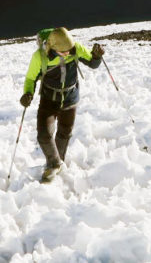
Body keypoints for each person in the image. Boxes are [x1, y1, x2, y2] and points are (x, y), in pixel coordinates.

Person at [19, 26, 104, 182]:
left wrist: (97, 57)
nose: (67, 53)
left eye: (69, 50)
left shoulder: (75, 48)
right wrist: (28, 93)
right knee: (44, 135)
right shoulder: (40, 56)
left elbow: (92, 63)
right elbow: (31, 78)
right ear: (52, 47)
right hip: (49, 100)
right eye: (63, 51)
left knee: (64, 133)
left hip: (70, 99)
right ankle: (55, 163)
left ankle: (56, 165)